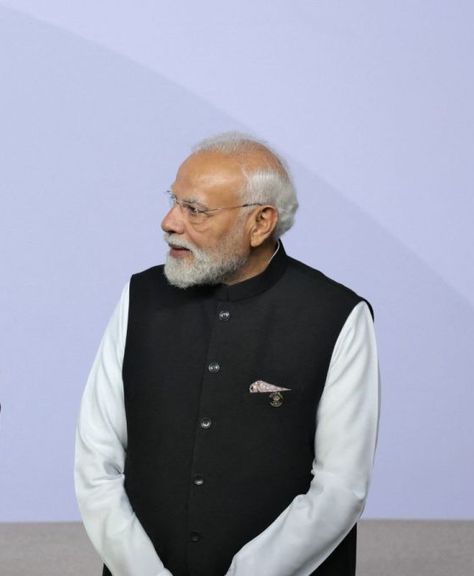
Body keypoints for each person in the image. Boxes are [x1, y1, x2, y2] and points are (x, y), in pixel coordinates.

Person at [74, 133, 379, 576]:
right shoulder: (141, 297)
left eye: (195, 210)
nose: (169, 222)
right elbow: (95, 461)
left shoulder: (338, 315)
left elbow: (340, 488)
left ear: (260, 222)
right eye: (174, 201)